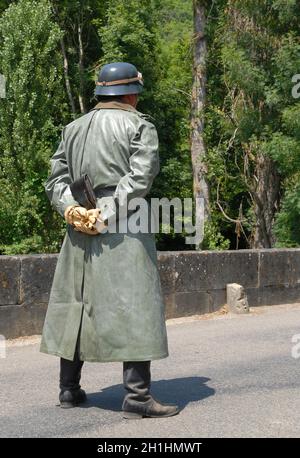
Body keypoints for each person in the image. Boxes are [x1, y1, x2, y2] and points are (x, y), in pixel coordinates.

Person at [40, 62, 180, 419]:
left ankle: (69, 389)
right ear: (131, 93)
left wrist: (73, 212)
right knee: (136, 304)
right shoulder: (139, 126)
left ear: (102, 92)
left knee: (77, 301)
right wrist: (106, 215)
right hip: (124, 225)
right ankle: (137, 396)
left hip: (78, 226)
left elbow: (55, 180)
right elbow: (139, 179)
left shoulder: (72, 129)